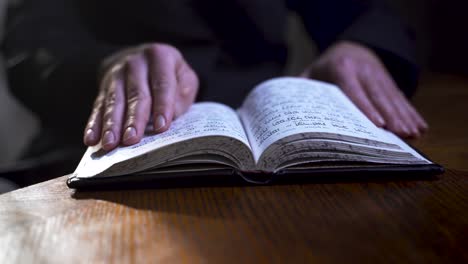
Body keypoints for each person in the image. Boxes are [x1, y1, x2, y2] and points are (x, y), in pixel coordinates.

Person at [3, 0, 427, 156]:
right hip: (97, 140)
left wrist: (359, 45)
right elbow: (31, 40)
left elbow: (365, 12)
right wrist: (105, 64)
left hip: (268, 143)